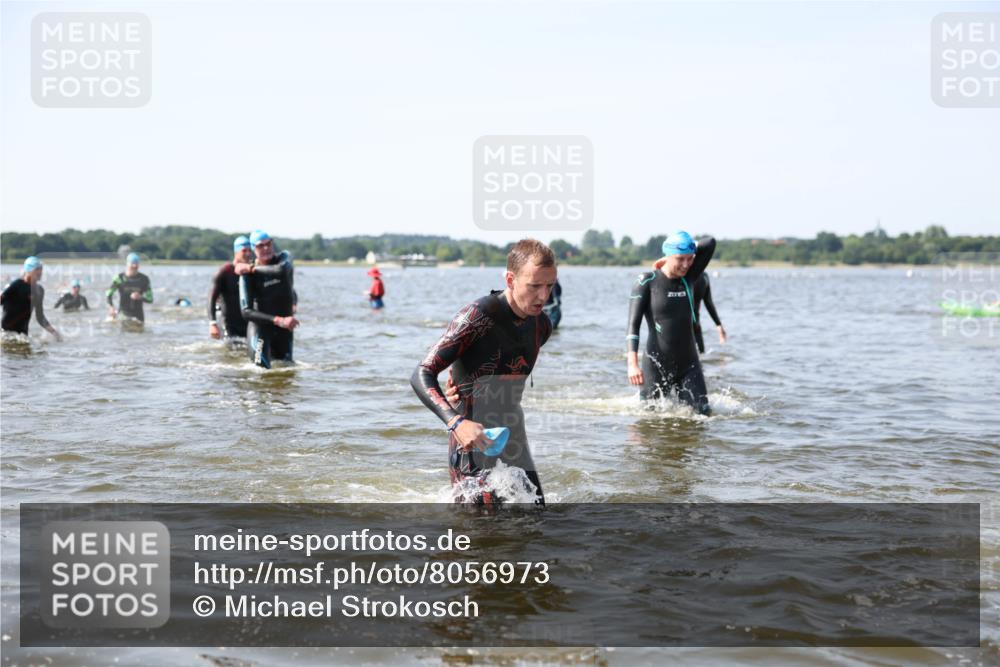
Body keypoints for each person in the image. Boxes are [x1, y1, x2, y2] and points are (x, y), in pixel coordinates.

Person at [411, 238, 556, 506]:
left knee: (537, 522)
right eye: (534, 285)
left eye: (549, 285)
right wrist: (455, 422)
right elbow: (422, 373)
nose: (543, 296)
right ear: (510, 280)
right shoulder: (478, 316)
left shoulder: (542, 325)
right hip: (472, 440)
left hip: (514, 435)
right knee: (479, 534)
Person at [626, 231, 716, 415]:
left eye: (690, 258)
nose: (685, 264)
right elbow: (633, 325)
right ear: (667, 256)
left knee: (703, 415)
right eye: (680, 259)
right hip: (656, 363)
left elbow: (710, 242)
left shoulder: (690, 275)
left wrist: (686, 248)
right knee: (650, 418)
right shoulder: (647, 281)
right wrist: (632, 364)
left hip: (689, 364)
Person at [237, 230, 298, 368]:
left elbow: (280, 271)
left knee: (286, 369)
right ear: (253, 249)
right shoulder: (246, 276)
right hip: (261, 328)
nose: (266, 248)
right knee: (261, 371)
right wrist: (278, 320)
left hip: (284, 328)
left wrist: (252, 268)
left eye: (268, 244)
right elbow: (246, 312)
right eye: (260, 246)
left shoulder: (284, 259)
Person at [1, 256, 62, 340]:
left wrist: (54, 332)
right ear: (29, 270)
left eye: (41, 269)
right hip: (6, 333)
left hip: (23, 335)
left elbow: (40, 316)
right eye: (37, 269)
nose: (40, 272)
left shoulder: (39, 290)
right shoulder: (17, 285)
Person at [209, 236, 254, 341]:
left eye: (249, 251)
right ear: (236, 252)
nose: (248, 254)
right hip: (228, 325)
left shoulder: (252, 271)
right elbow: (211, 298)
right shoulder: (225, 271)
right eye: (244, 251)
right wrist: (213, 323)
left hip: (247, 325)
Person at [107, 253, 153, 322]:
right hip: (123, 315)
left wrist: (140, 297)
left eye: (136, 263)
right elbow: (108, 294)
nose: (134, 266)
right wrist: (111, 307)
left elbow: (150, 299)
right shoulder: (119, 278)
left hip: (138, 316)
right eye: (132, 263)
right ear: (127, 264)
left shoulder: (144, 279)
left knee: (139, 330)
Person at [691, 273, 727, 354]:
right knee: (700, 356)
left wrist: (718, 325)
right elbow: (709, 303)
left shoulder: (681, 275)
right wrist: (718, 324)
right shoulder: (704, 276)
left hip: (682, 327)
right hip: (695, 326)